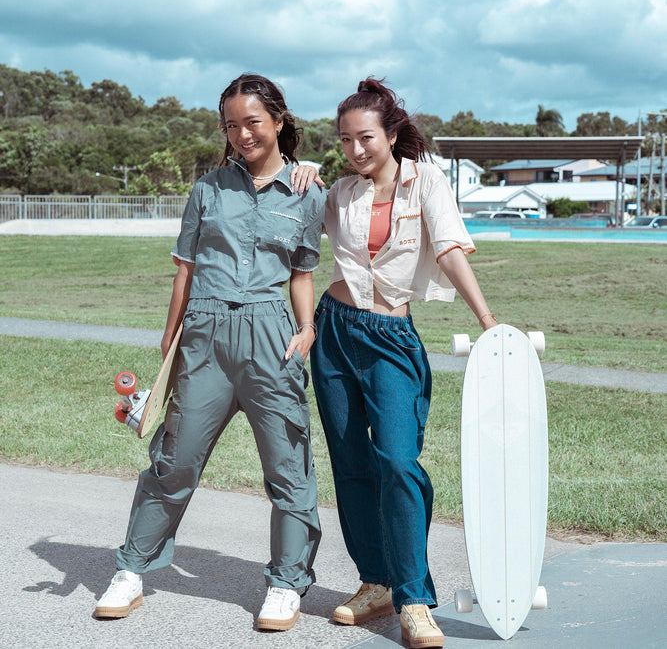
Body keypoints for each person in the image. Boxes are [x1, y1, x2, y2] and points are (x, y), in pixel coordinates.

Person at [95, 73, 327, 632]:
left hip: (272, 338)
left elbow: (302, 273)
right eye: (231, 125)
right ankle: (131, 570)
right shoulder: (208, 189)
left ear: (278, 121)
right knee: (174, 461)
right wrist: (169, 343)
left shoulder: (308, 191)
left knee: (288, 466)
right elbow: (186, 270)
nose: (242, 134)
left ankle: (286, 583)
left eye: (253, 122)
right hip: (203, 336)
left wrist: (307, 329)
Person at [310, 78, 497, 649]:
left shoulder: (427, 181)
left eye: (365, 137)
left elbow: (449, 250)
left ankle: (414, 599)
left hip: (391, 338)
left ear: (391, 134)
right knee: (350, 463)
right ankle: (376, 582)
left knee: (397, 462)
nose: (355, 150)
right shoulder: (340, 193)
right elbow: (291, 234)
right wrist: (301, 175)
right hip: (333, 330)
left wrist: (488, 321)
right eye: (345, 140)